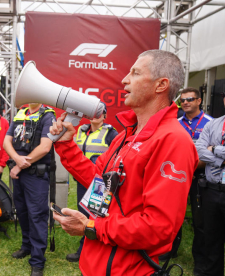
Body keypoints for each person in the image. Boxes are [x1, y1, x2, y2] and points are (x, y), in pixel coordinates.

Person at [50, 50, 198, 275]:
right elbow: (99, 183)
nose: (124, 79)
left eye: (135, 73)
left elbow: (158, 227)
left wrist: (91, 227)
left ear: (161, 85)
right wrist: (67, 146)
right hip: (96, 264)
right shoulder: (126, 134)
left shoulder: (173, 140)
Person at [3, 102, 56, 276]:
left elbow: (45, 147)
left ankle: (38, 260)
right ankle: (26, 246)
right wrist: (17, 159)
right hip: (20, 172)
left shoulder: (47, 115)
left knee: (37, 216)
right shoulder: (20, 114)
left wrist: (20, 164)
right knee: (22, 212)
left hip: (36, 175)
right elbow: (6, 141)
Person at [195, 79, 225, 276]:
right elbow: (199, 151)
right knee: (211, 243)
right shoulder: (213, 124)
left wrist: (216, 150)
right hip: (211, 192)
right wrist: (224, 160)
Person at [65, 111, 118, 263]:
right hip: (83, 181)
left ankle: (89, 252)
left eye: (100, 113)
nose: (96, 115)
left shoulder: (111, 133)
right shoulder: (81, 131)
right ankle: (86, 250)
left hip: (99, 184)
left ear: (105, 116)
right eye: (93, 112)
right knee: (84, 213)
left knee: (94, 216)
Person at [173, 87, 213, 274]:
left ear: (199, 101)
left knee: (200, 221)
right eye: (182, 100)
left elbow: (213, 151)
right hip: (177, 176)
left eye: (190, 99)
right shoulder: (175, 123)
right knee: (173, 216)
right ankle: (169, 250)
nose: (185, 102)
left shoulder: (211, 123)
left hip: (200, 177)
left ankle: (200, 260)